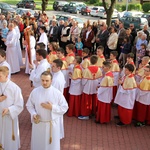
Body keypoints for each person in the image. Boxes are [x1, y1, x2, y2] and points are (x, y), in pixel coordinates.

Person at [26, 71, 68, 150]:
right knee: (38, 145)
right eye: (42, 80)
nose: (44, 82)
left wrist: (52, 107)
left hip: (51, 125)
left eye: (47, 80)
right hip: (38, 124)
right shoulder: (35, 92)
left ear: (51, 81)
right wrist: (33, 113)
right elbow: (29, 105)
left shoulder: (57, 93)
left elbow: (64, 107)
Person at [0, 66, 24, 150]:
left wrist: (9, 110)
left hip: (9, 117)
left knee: (8, 139)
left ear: (6, 76)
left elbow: (19, 105)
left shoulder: (15, 88)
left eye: (0, 76)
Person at [78, 55, 102, 120]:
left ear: (90, 61)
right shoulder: (99, 69)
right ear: (96, 62)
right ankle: (93, 112)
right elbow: (100, 79)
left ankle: (86, 114)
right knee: (94, 100)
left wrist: (83, 85)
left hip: (88, 86)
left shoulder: (86, 69)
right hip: (95, 84)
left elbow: (84, 80)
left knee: (87, 101)